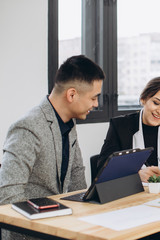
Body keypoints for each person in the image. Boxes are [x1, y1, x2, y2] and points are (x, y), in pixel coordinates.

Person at [0, 55, 105, 239]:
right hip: (30, 232)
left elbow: (77, 186)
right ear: (72, 94)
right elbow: (8, 198)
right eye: (94, 98)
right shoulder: (28, 127)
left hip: (60, 225)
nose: (96, 104)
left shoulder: (69, 124)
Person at [98, 76, 160, 240]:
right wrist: (135, 175)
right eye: (156, 103)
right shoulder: (120, 125)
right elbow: (102, 166)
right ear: (144, 99)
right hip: (129, 205)